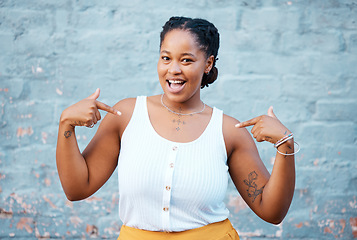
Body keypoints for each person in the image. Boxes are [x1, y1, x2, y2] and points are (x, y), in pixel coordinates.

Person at [56, 16, 298, 240]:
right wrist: (66, 124)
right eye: (166, 57)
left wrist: (284, 144)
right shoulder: (126, 115)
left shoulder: (229, 131)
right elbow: (77, 188)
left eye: (186, 60)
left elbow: (271, 211)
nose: (173, 69)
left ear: (208, 63)